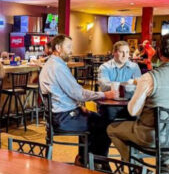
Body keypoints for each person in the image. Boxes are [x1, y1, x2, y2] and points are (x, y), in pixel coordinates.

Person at [107, 34, 169, 168]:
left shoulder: (149, 78)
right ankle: (166, 168)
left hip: (152, 138)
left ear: (159, 53)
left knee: (112, 129)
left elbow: (133, 111)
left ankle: (140, 172)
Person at [39, 34, 116, 163]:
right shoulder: (57, 67)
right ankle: (96, 163)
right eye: (69, 47)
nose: (71, 50)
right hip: (63, 118)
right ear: (58, 48)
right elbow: (79, 94)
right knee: (104, 125)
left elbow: (66, 94)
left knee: (93, 119)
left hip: (58, 115)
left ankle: (84, 159)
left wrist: (78, 106)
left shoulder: (52, 64)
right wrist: (104, 95)